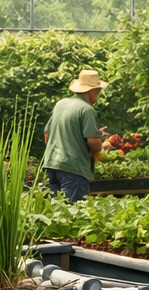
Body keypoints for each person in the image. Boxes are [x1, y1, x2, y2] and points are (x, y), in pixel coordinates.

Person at [41, 69, 114, 201]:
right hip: (73, 169)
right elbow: (93, 143)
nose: (98, 94)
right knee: (73, 213)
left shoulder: (60, 104)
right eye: (98, 91)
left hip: (51, 166)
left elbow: (47, 135)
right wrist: (102, 146)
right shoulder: (86, 109)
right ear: (91, 91)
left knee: (54, 212)